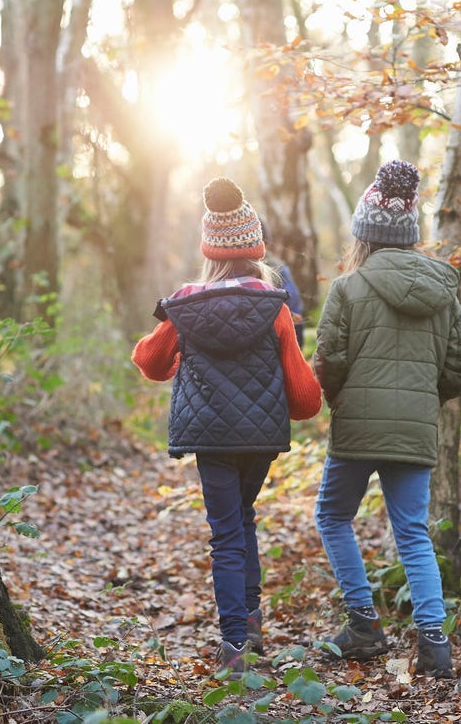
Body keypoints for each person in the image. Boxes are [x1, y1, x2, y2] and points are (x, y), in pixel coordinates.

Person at [132, 177, 322, 677]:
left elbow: (149, 361)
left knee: (226, 534)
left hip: (210, 438)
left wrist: (180, 363)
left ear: (210, 251)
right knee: (243, 519)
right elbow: (304, 398)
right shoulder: (274, 305)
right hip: (259, 441)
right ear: (254, 248)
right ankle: (252, 623)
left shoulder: (185, 304)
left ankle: (235, 645)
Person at [312, 159, 461, 679]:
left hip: (357, 428)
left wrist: (342, 397)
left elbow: (328, 362)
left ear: (364, 233)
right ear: (409, 235)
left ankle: (363, 623)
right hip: (415, 430)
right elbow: (459, 368)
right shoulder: (443, 290)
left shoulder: (347, 288)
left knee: (333, 517)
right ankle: (434, 646)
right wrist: (424, 399)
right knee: (413, 533)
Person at [260, 218, 307, 347]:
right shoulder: (280, 269)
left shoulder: (222, 273)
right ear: (267, 242)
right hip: (275, 349)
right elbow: (294, 311)